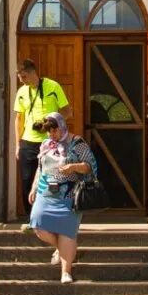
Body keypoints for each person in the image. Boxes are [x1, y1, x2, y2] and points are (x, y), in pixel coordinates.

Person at [27, 111, 99, 283]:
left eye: (54, 131)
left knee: (67, 233)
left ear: (62, 127)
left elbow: (90, 166)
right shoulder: (46, 144)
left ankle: (65, 272)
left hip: (69, 194)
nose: (52, 135)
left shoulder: (77, 142)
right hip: (46, 192)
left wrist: (73, 167)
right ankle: (60, 248)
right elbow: (40, 168)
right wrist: (34, 188)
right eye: (49, 132)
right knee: (37, 224)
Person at [12, 58, 68, 218]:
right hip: (28, 142)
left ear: (32, 73)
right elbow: (19, 118)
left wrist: (51, 123)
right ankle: (32, 218)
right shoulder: (22, 91)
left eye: (23, 77)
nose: (21, 81)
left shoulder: (52, 86)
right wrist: (18, 144)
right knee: (27, 180)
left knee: (52, 179)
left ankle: (51, 215)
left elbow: (67, 111)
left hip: (50, 142)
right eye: (19, 77)